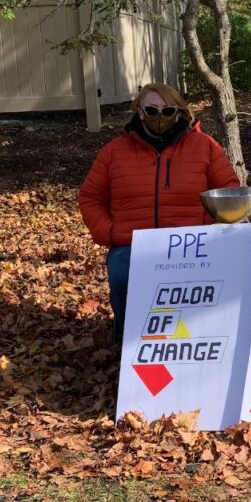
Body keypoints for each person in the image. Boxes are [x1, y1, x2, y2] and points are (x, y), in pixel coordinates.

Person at [79, 83, 240, 343]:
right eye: (152, 110)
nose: (159, 116)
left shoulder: (205, 147)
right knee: (123, 276)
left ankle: (200, 341)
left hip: (193, 243)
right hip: (134, 242)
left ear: (179, 112)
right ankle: (130, 340)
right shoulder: (113, 153)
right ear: (139, 111)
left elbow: (229, 191)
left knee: (214, 281)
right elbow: (90, 197)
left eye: (167, 111)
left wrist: (205, 226)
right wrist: (109, 232)